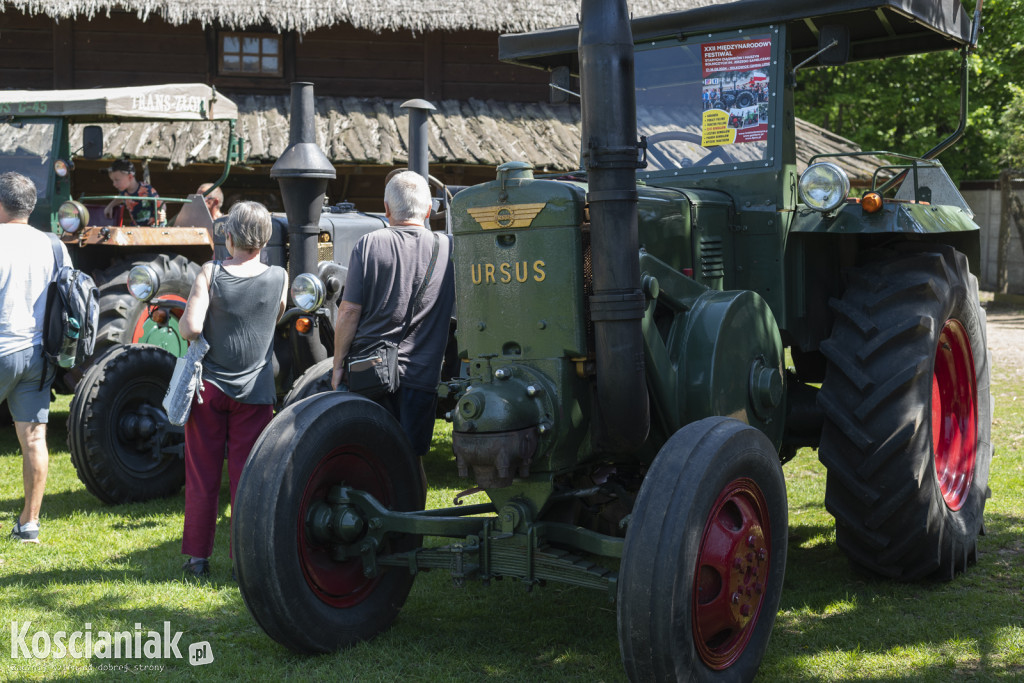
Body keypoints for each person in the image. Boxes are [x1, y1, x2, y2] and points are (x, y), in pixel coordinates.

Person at [177, 201, 288, 578]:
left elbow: (190, 328)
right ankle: (244, 555)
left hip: (208, 389)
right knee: (249, 477)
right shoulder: (280, 277)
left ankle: (197, 558)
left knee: (202, 475)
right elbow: (275, 317)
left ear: (228, 235)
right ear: (266, 238)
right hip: (256, 391)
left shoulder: (210, 272)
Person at [331, 170, 455, 459]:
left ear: (386, 208)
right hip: (421, 374)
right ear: (428, 210)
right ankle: (412, 507)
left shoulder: (369, 243)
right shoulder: (449, 247)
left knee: (367, 457)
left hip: (367, 370)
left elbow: (349, 311)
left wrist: (338, 365)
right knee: (411, 463)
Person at [0, 172, 70, 543]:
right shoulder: (54, 245)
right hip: (38, 355)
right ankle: (29, 525)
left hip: (2, 348)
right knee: (33, 440)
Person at [103, 159, 165, 227]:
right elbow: (120, 198)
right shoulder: (124, 192)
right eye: (113, 181)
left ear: (130, 177)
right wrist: (110, 206)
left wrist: (161, 213)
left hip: (153, 227)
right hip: (136, 228)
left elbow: (162, 204)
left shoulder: (146, 189)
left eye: (117, 180)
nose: (114, 184)